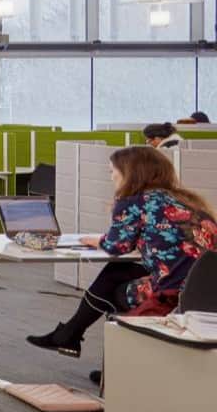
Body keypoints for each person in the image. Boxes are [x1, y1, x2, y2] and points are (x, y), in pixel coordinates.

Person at [28, 146, 217, 359]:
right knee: (119, 271)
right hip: (207, 291)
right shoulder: (186, 200)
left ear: (130, 173)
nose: (111, 178)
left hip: (173, 294)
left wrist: (97, 241)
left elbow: (117, 246)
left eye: (112, 171)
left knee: (114, 290)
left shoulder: (134, 201)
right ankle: (73, 337)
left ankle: (103, 358)